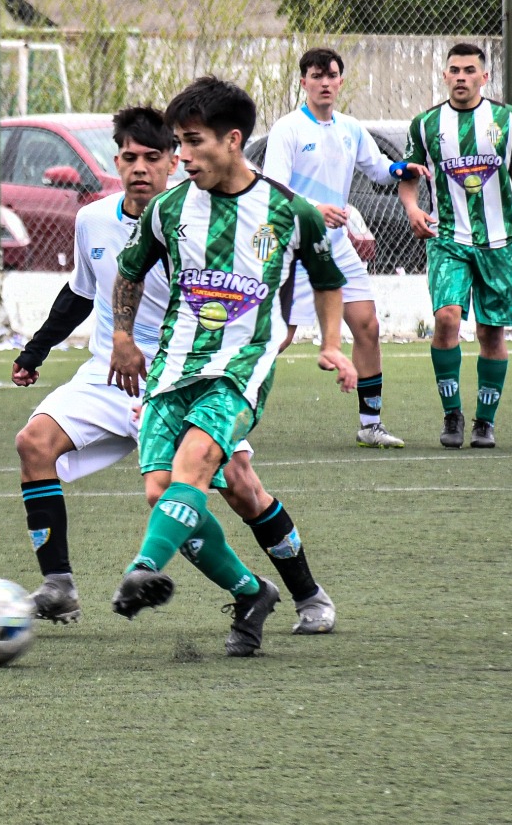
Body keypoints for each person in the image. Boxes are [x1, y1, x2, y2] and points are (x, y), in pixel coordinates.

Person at [13, 105, 338, 635]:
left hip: (193, 368)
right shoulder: (94, 220)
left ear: (172, 161)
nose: (139, 168)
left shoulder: (200, 216)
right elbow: (80, 292)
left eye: (154, 157)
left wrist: (276, 342)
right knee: (34, 443)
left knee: (239, 485)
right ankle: (59, 586)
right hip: (109, 374)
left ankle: (303, 590)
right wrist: (37, 351)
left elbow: (267, 293)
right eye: (128, 157)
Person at [106, 77, 355, 658]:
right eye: (178, 143)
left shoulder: (290, 213)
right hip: (173, 368)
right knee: (169, 492)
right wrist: (122, 334)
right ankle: (253, 593)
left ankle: (142, 568)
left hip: (241, 367)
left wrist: (332, 343)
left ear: (233, 140)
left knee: (195, 466)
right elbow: (131, 270)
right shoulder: (169, 210)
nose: (181, 156)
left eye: (192, 143)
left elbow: (327, 281)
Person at [262, 48, 428, 449]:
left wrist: (402, 168)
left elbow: (377, 169)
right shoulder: (287, 130)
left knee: (367, 326)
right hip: (294, 249)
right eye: (316, 76)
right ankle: (220, 414)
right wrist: (315, 209)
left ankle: (370, 425)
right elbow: (272, 189)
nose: (324, 82)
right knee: (276, 338)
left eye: (331, 75)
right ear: (303, 82)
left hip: (335, 247)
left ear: (340, 81)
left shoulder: (350, 128)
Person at [397, 42, 512, 450]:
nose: (462, 76)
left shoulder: (506, 118)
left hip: (499, 240)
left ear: (484, 77)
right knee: (447, 318)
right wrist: (412, 207)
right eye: (455, 70)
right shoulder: (426, 124)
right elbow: (409, 176)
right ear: (445, 75)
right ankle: (452, 414)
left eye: (470, 70)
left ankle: (485, 422)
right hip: (447, 237)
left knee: (490, 332)